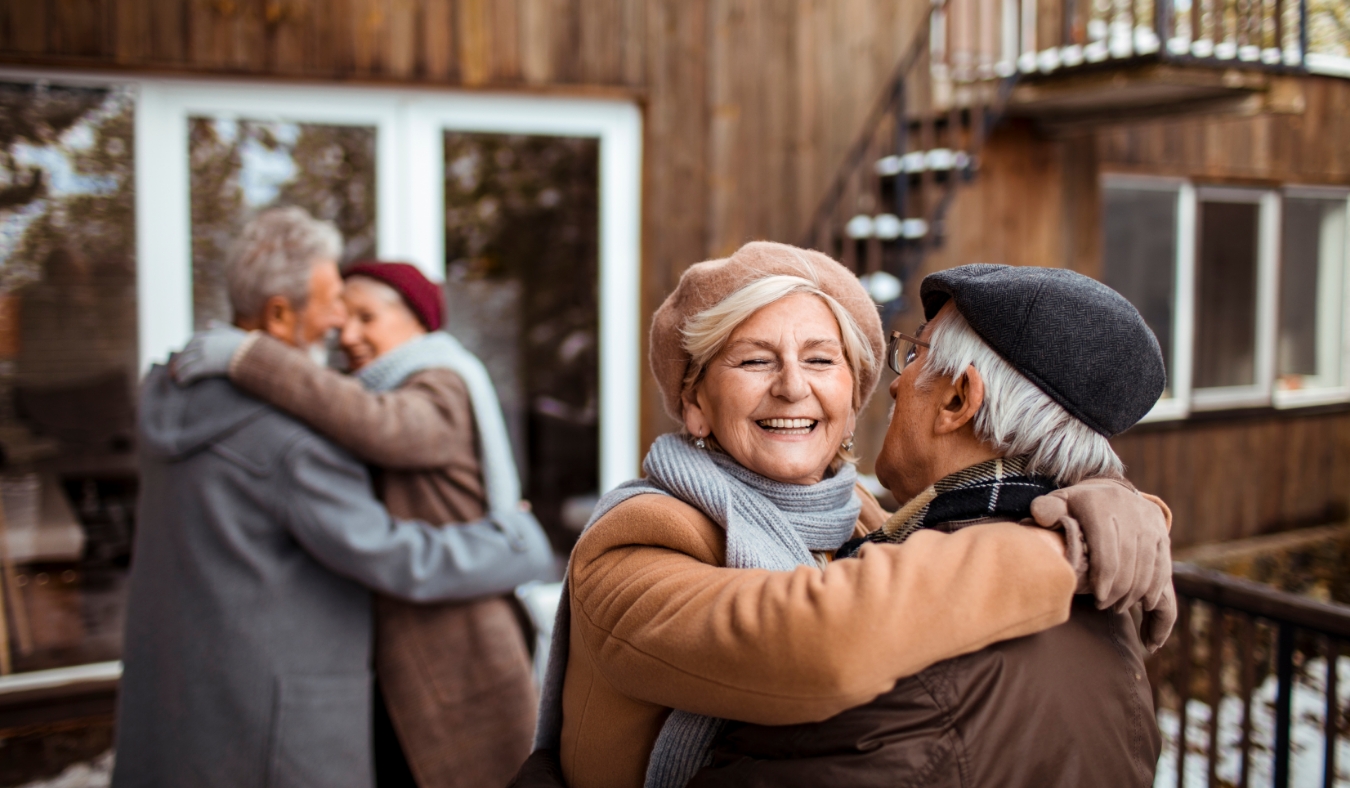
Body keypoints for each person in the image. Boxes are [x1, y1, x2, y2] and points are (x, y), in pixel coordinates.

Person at [514, 242, 1174, 788]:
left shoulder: (869, 523)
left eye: (821, 360)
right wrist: (1060, 542)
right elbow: (818, 636)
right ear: (694, 403)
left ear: (850, 397)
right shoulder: (639, 540)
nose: (792, 387)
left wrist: (1113, 500)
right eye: (753, 360)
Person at [112, 208, 554, 788]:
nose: (339, 326)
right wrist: (514, 550)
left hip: (180, 694)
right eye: (332, 304)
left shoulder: (170, 395)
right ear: (278, 313)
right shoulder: (291, 437)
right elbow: (388, 553)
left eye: (358, 312)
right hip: (275, 716)